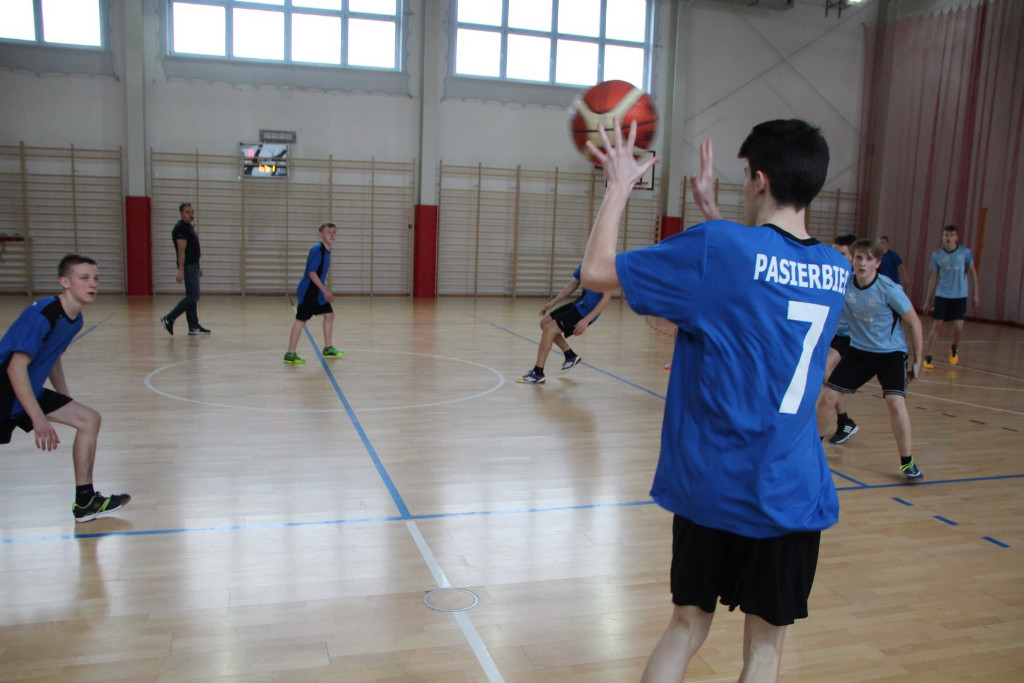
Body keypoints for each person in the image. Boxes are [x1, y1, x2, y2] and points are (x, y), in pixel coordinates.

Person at [581, 119, 848, 682]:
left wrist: (619, 186)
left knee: (686, 627)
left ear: (758, 180)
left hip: (713, 485)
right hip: (791, 490)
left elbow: (597, 272)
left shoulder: (719, 247)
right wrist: (714, 213)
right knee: (765, 651)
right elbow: (763, 272)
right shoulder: (836, 269)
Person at [0, 255, 130, 522]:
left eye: (95, 278)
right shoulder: (44, 314)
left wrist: (64, 397)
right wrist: (38, 419)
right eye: (84, 278)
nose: (92, 284)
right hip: (6, 391)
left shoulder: (75, 319)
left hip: (25, 391)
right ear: (65, 282)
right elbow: (15, 368)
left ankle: (85, 501)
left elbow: (53, 356)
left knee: (88, 419)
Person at [818, 239, 924, 481]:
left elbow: (914, 323)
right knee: (827, 398)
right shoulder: (845, 286)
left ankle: (907, 461)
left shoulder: (889, 290)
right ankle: (814, 449)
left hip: (891, 354)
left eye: (868, 259)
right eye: (858, 258)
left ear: (877, 263)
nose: (862, 263)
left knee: (895, 403)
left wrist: (918, 360)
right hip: (859, 352)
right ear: (853, 260)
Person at [516, 265, 612, 384]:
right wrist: (553, 302)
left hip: (586, 311)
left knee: (549, 330)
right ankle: (570, 355)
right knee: (544, 323)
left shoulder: (603, 267)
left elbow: (606, 298)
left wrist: (586, 320)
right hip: (580, 304)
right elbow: (573, 284)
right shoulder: (586, 262)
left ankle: (538, 373)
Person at [284, 222, 344, 364]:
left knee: (329, 315)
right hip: (309, 290)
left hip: (317, 290)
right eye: (328, 232)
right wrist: (324, 290)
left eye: (334, 232)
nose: (332, 235)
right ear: (321, 234)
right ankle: (290, 353)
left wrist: (322, 290)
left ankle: (328, 348)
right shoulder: (318, 249)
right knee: (301, 320)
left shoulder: (327, 250)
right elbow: (312, 273)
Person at [921, 224, 980, 369]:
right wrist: (927, 300)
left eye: (951, 235)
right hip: (942, 295)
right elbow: (933, 278)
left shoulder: (965, 253)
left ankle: (954, 346)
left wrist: (976, 294)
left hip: (960, 296)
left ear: (956, 237)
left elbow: (973, 273)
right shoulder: (937, 255)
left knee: (958, 327)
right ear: (943, 237)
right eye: (946, 235)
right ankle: (928, 357)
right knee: (937, 326)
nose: (948, 238)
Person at [827, 233, 859, 444]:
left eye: (841, 253)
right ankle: (844, 421)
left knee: (826, 373)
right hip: (836, 334)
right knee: (825, 375)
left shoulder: (858, 280)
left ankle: (844, 421)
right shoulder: (836, 275)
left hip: (850, 338)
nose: (836, 257)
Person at [160, 202, 210, 336]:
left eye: (192, 212)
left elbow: (193, 249)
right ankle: (169, 318)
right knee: (194, 296)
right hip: (188, 266)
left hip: (193, 265)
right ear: (181, 213)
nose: (190, 214)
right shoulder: (180, 228)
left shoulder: (188, 227)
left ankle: (193, 326)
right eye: (187, 212)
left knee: (191, 297)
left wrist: (198, 267)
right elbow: (181, 250)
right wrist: (181, 270)